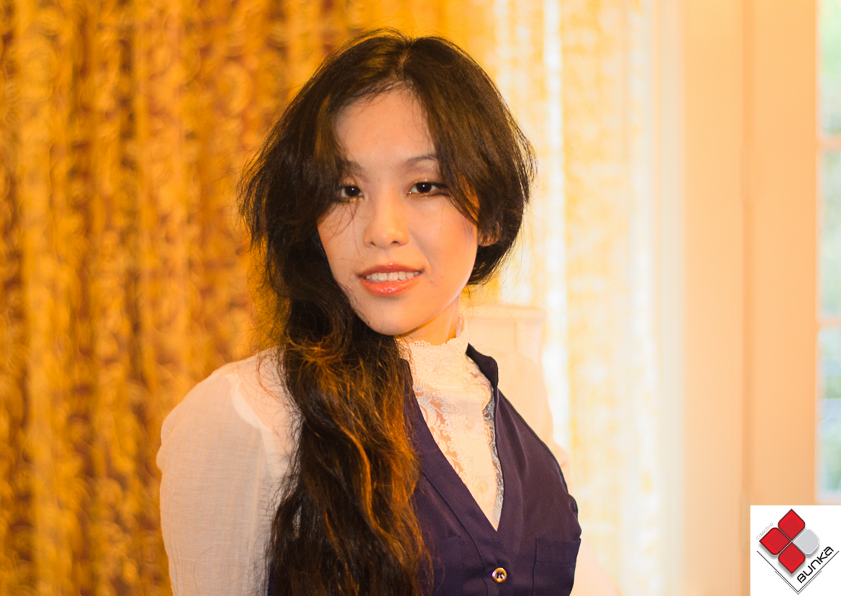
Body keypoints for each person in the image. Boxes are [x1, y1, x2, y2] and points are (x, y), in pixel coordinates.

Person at [157, 30, 581, 596]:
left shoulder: (519, 388)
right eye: (346, 191)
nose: (381, 230)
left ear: (491, 218)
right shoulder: (249, 412)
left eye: (424, 185)